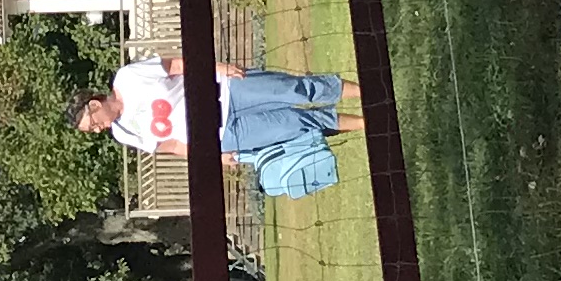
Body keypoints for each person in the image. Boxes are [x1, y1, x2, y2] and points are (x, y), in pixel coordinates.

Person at [76, 59, 362, 196]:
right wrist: (215, 156)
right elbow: (173, 146)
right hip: (225, 134)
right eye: (93, 131)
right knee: (298, 124)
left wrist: (218, 68)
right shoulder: (123, 133)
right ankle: (366, 123)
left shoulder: (127, 78)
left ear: (95, 104)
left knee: (297, 90)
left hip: (227, 90)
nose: (98, 130)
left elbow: (177, 66)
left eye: (93, 124)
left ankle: (368, 92)